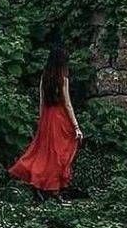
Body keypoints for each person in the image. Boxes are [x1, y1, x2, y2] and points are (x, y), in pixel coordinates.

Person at [9, 44, 83, 197]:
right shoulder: (62, 78)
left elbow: (42, 102)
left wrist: (41, 120)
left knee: (43, 152)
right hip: (59, 117)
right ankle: (52, 188)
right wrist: (76, 126)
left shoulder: (45, 77)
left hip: (47, 117)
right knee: (59, 153)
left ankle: (41, 184)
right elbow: (67, 103)